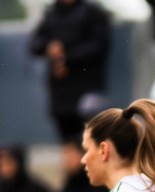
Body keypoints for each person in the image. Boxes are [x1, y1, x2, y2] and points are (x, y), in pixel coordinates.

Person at [30, 0, 110, 141]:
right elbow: (34, 45)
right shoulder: (51, 13)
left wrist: (66, 57)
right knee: (69, 145)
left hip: (87, 91)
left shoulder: (92, 12)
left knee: (91, 140)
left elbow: (99, 46)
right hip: (61, 95)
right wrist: (49, 47)